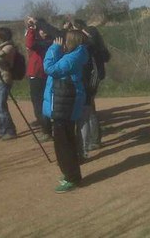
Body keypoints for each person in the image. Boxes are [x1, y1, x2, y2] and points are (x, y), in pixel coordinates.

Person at [43, 30, 89, 193]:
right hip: (65, 101)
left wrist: (53, 49)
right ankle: (72, 174)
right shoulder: (77, 53)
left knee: (63, 144)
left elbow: (50, 68)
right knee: (66, 140)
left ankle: (71, 177)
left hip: (65, 103)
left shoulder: (72, 58)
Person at [72, 19, 110, 156]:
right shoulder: (92, 47)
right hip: (88, 83)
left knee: (88, 113)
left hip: (89, 84)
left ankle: (92, 141)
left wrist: (90, 88)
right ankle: (93, 140)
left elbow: (96, 71)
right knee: (90, 112)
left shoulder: (91, 49)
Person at [25, 17, 53, 142]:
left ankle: (46, 131)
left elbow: (29, 44)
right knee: (41, 104)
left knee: (40, 104)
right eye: (41, 30)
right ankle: (46, 128)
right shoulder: (50, 41)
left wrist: (31, 28)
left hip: (39, 76)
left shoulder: (47, 42)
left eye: (44, 29)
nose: (43, 32)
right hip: (39, 75)